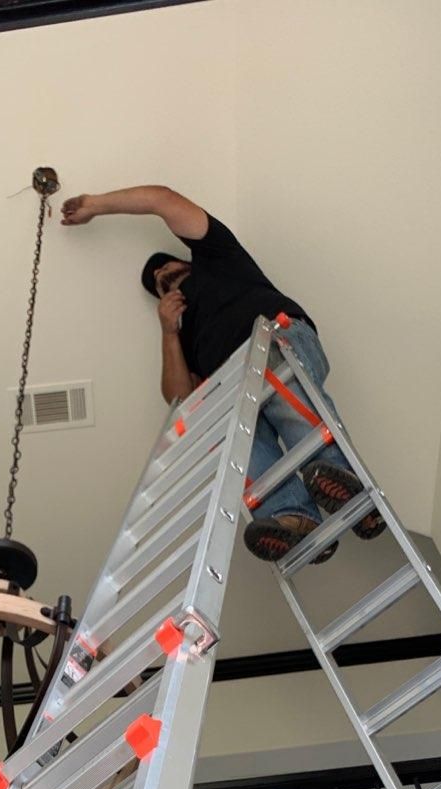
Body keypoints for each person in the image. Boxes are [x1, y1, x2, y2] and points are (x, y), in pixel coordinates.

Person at [60, 185, 383, 562]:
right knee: (227, 430)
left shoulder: (219, 257)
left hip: (276, 338)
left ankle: (352, 494)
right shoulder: (186, 334)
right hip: (236, 384)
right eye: (158, 283)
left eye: (167, 267)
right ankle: (294, 518)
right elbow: (180, 397)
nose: (163, 275)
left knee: (276, 377)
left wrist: (95, 206)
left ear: (188, 262)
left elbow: (161, 200)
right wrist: (168, 331)